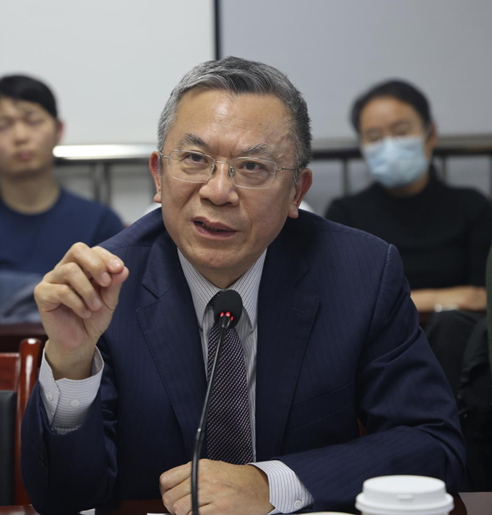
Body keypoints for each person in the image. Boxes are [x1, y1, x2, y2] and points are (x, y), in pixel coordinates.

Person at [21, 58, 465, 515]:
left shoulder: (360, 274)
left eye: (252, 166)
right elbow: (64, 499)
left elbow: (433, 444)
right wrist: (72, 363)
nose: (217, 191)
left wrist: (273, 484)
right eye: (195, 159)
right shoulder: (106, 287)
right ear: (158, 175)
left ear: (296, 191)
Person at [325, 79, 492, 314]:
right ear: (362, 147)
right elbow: (348, 301)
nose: (390, 146)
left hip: (458, 331)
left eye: (402, 132)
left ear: (430, 134)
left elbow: (481, 297)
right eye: (374, 137)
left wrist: (392, 302)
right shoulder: (344, 215)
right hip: (379, 335)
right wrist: (438, 299)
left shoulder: (472, 207)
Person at [0, 75, 124, 277]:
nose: (20, 136)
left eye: (33, 121)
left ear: (58, 130)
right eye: (3, 125)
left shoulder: (98, 223)